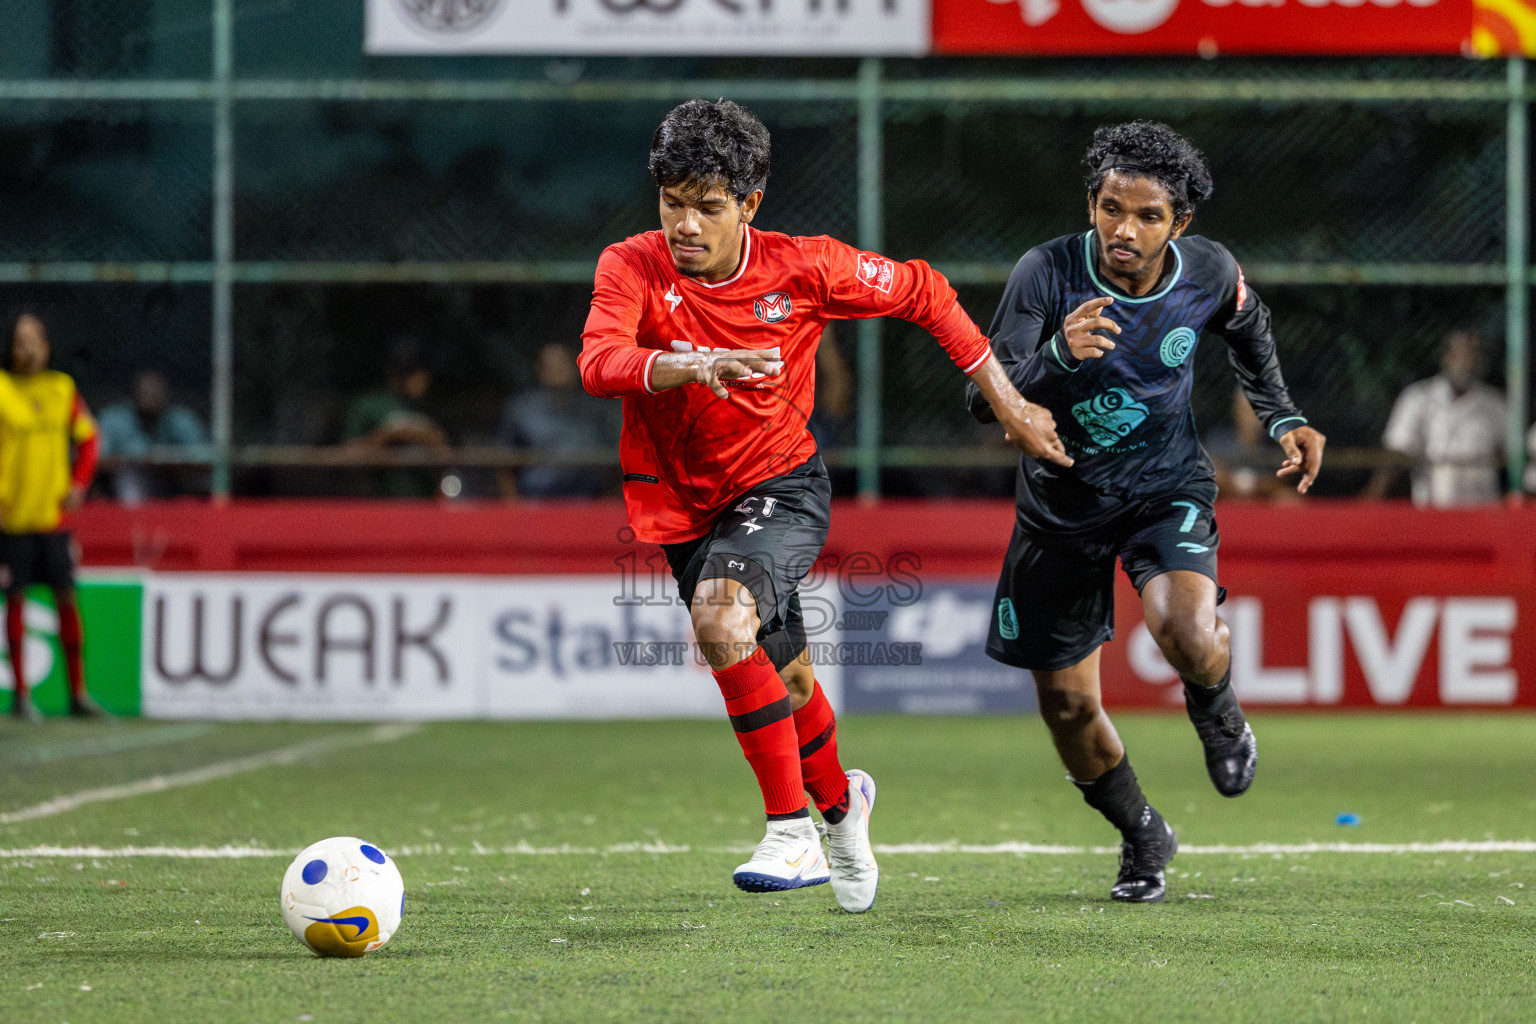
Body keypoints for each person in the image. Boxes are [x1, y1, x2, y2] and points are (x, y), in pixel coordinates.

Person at [580, 99, 1069, 912]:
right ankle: (843, 809)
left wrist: (1010, 403)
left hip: (780, 486)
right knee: (792, 680)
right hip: (683, 504)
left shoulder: (804, 268)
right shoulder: (630, 265)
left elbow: (927, 293)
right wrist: (692, 364)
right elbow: (599, 362)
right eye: (673, 202)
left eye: (709, 205)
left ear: (750, 204)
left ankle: (790, 831)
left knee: (721, 621)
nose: (686, 225)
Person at [964, 121, 1325, 903]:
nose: (1124, 229)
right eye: (1110, 208)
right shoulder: (1046, 273)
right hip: (1059, 513)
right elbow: (979, 396)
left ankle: (1220, 716)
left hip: (1165, 492)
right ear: (1091, 204)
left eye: (1147, 215)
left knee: (1190, 632)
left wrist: (1284, 417)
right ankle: (1142, 835)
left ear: (1180, 224)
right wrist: (1055, 356)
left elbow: (1249, 329)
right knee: (1066, 706)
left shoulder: (1209, 271)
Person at [0, 312, 103, 720]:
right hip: (11, 520)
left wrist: (79, 483)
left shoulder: (62, 390)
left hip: (53, 519)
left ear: (47, 345)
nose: (28, 348)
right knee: (15, 601)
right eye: (20, 340)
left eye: (35, 339)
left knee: (66, 599)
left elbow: (90, 439)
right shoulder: (3, 390)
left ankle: (77, 694)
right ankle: (22, 696)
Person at [1362, 329, 1506, 506]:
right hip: (1432, 513)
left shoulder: (1496, 405)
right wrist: (1373, 495)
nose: (1469, 361)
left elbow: (1516, 454)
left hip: (1482, 513)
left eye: (1475, 354)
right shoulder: (1417, 399)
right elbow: (1398, 450)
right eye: (1462, 353)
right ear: (1447, 356)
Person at [497, 342, 618, 499]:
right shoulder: (521, 409)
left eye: (562, 363)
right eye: (550, 365)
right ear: (540, 370)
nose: (557, 370)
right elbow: (503, 462)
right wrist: (514, 508)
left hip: (588, 501)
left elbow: (616, 460)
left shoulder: (597, 410)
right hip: (536, 500)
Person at [343, 338, 450, 498]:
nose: (420, 380)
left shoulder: (429, 409)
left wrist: (426, 437)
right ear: (395, 375)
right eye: (411, 373)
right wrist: (386, 436)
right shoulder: (369, 406)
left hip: (424, 502)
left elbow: (451, 458)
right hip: (377, 500)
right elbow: (346, 456)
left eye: (422, 372)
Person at [96, 370, 208, 503]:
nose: (150, 398)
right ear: (133, 395)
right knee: (130, 479)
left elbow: (205, 461)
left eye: (156, 394)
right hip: (121, 489)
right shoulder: (113, 419)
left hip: (172, 486)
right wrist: (137, 463)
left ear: (167, 396)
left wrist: (164, 465)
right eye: (145, 393)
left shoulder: (180, 420)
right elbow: (97, 459)